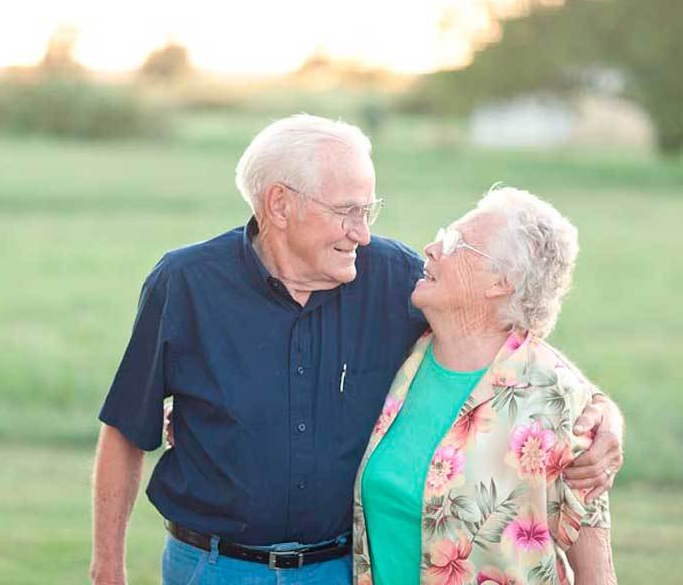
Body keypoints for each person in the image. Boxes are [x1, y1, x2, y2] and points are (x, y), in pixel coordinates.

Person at [90, 115, 623, 585]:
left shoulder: (396, 280)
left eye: (369, 210)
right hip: (211, 568)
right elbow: (125, 429)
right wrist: (107, 568)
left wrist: (601, 411)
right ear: (280, 204)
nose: (362, 234)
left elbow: (506, 340)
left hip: (340, 569)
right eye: (347, 212)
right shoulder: (185, 285)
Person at [354, 186, 617, 585]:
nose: (431, 248)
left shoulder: (557, 399)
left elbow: (597, 575)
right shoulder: (402, 357)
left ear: (502, 282)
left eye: (456, 243)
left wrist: (608, 413)